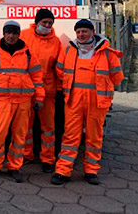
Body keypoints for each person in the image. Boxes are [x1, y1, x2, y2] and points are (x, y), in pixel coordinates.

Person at [51, 19, 123, 186]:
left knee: (94, 137)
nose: (81, 34)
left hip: (97, 102)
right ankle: (63, 171)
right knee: (70, 136)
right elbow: (60, 70)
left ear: (92, 32)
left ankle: (91, 171)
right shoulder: (68, 50)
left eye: (84, 31)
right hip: (74, 100)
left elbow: (117, 77)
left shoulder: (107, 53)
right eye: (78, 32)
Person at [0, 20, 44, 183]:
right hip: (2, 101)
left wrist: (39, 97)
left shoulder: (28, 53)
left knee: (19, 136)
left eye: (14, 33)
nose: (11, 36)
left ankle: (14, 167)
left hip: (23, 102)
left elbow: (37, 77)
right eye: (8, 32)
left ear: (18, 34)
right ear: (3, 33)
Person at [20, 9, 63, 173]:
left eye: (50, 23)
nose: (47, 25)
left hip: (47, 91)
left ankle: (48, 159)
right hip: (26, 89)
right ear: (37, 22)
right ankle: (25, 155)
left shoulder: (56, 41)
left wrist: (60, 88)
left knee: (48, 127)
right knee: (25, 126)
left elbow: (59, 67)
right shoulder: (24, 36)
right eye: (44, 22)